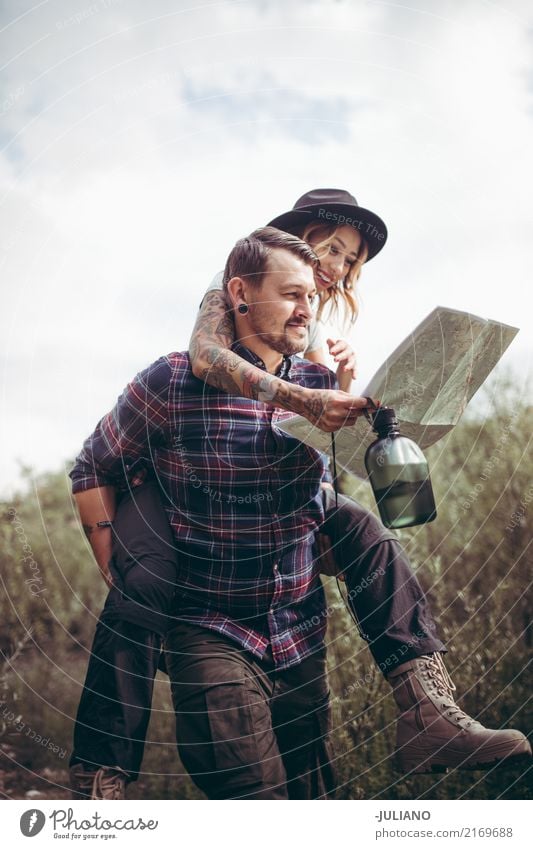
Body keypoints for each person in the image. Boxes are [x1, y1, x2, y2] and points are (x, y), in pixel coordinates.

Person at [69, 227, 530, 801]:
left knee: (313, 802)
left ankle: (428, 711)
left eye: (312, 296)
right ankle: (98, 778)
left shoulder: (320, 383)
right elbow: (92, 467)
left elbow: (323, 506)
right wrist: (124, 568)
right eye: (292, 294)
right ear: (239, 292)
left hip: (298, 632)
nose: (307, 308)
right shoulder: (171, 381)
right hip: (210, 631)